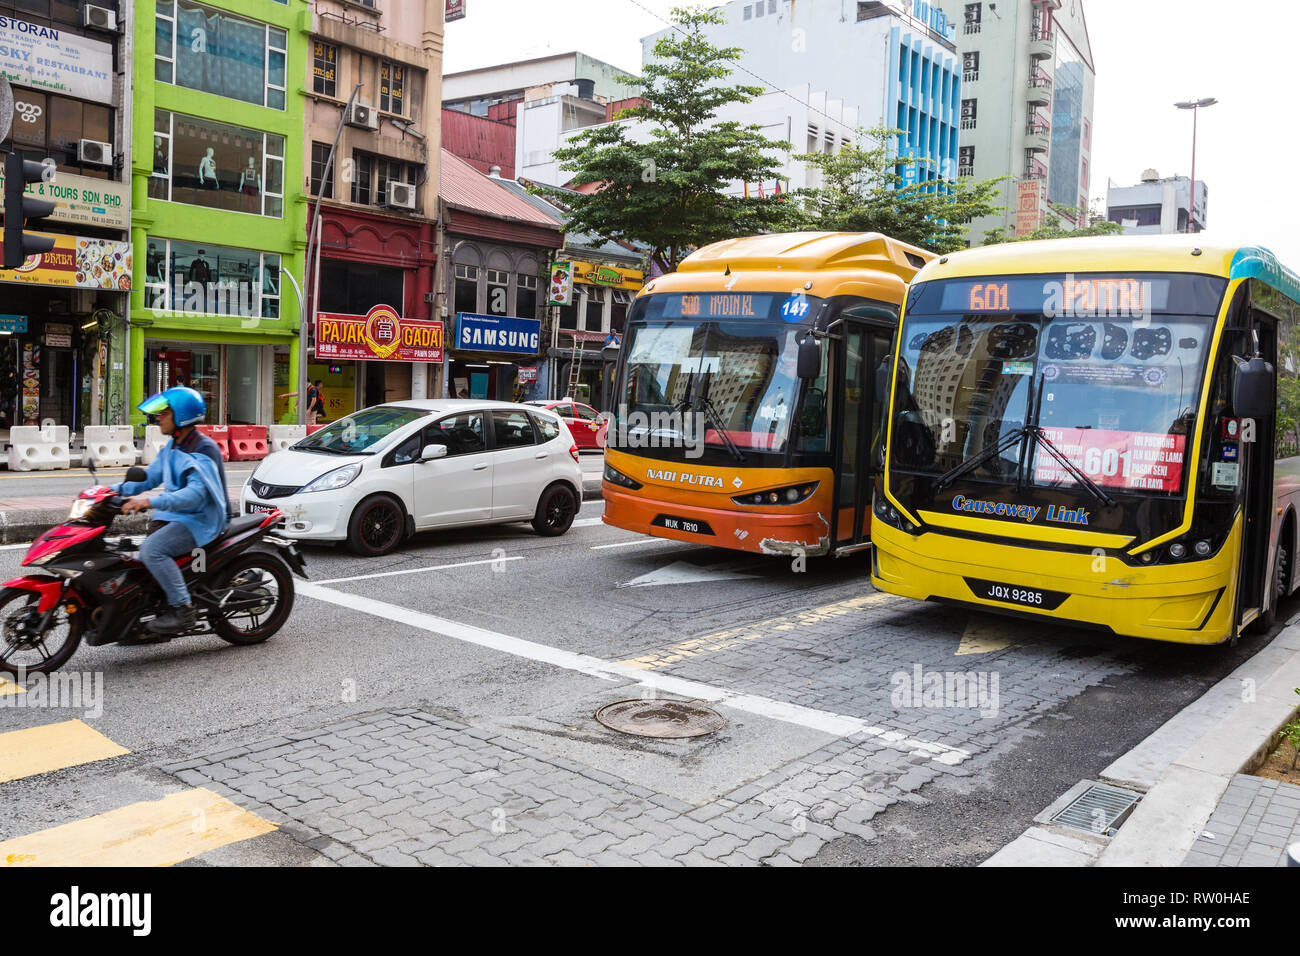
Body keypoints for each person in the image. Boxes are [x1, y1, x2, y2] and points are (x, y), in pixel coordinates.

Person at [117, 387, 229, 634]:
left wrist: (149, 503)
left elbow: (195, 495)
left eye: (164, 413)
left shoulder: (203, 449)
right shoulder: (173, 446)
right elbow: (149, 477)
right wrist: (111, 492)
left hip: (200, 519)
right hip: (176, 516)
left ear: (182, 416)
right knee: (130, 559)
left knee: (152, 551)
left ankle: (182, 610)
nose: (158, 418)